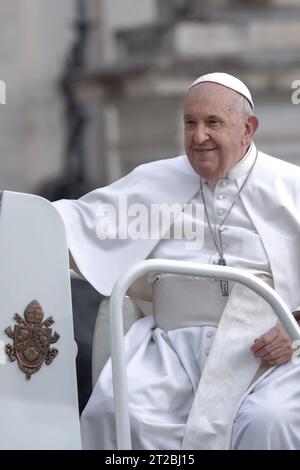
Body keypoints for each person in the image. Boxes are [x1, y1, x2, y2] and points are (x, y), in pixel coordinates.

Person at [53, 72, 300, 450]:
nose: (198, 136)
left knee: (269, 420)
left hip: (268, 355)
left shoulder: (290, 186)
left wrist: (293, 328)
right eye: (190, 123)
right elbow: (69, 225)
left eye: (213, 123)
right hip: (171, 353)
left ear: (248, 129)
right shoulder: (155, 181)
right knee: (122, 414)